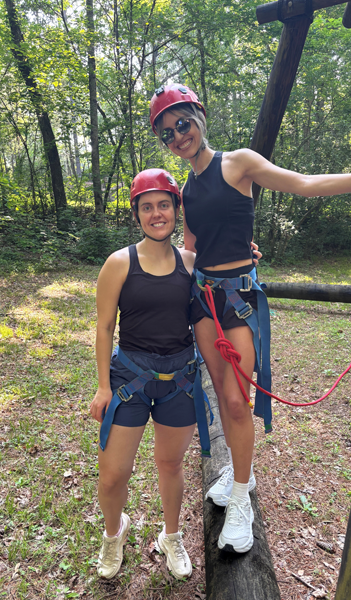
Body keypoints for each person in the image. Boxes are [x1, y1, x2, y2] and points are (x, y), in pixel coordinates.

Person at [149, 83, 351, 554]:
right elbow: (191, 249)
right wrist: (145, 268)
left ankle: (242, 497)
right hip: (204, 301)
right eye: (167, 133)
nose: (177, 136)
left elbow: (304, 184)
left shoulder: (238, 162)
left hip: (239, 300)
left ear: (199, 117)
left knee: (237, 398)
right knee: (221, 393)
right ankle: (236, 471)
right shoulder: (185, 189)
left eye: (182, 123)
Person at [90, 168, 208, 580]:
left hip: (179, 379)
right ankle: (113, 532)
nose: (156, 214)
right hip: (130, 378)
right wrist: (104, 386)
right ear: (137, 214)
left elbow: (231, 273)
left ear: (176, 209)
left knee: (170, 463)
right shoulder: (119, 263)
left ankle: (170, 536)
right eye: (147, 207)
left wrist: (247, 253)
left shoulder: (192, 264)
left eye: (163, 205)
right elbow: (105, 326)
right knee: (113, 475)